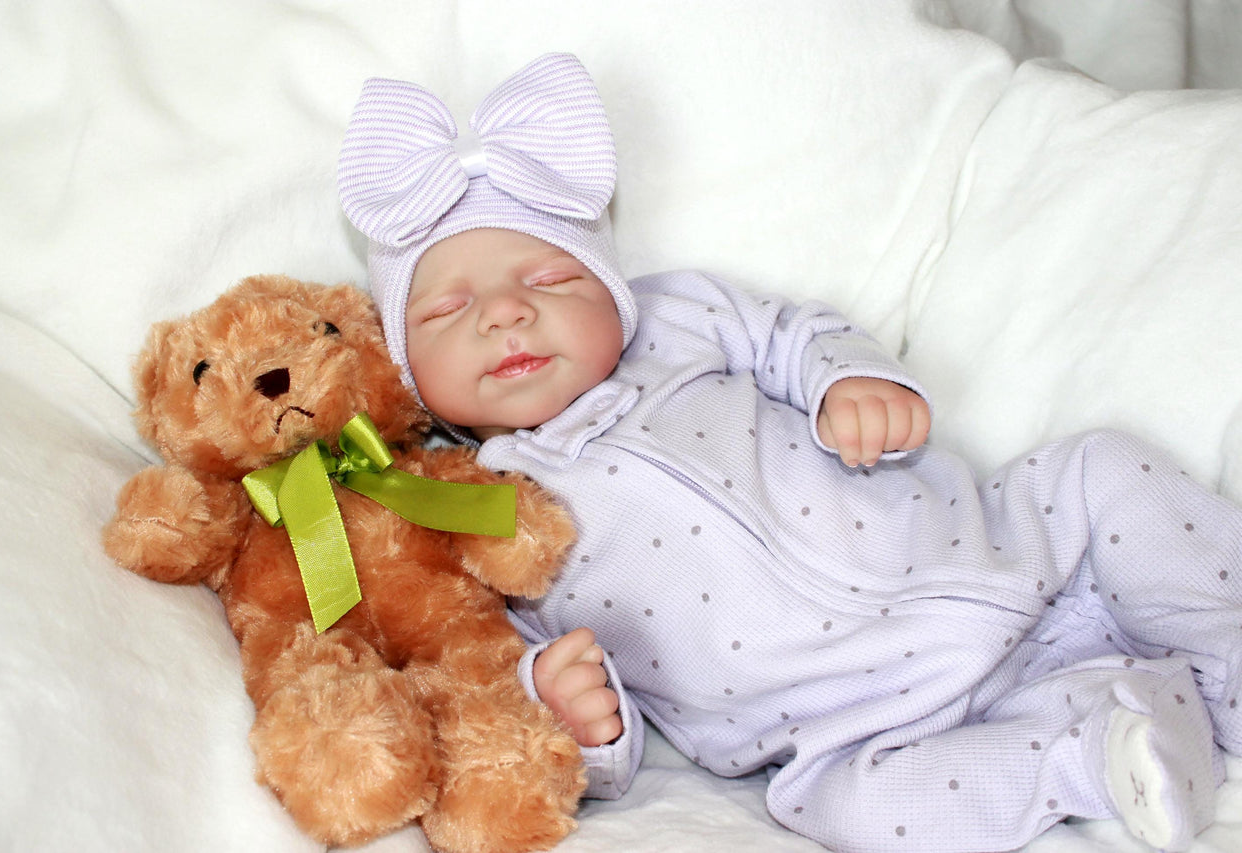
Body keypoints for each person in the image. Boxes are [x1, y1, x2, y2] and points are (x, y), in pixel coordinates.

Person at [338, 53, 1242, 852]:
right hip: (853, 723)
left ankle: (1225, 664)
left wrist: (848, 381)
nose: (504, 311)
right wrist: (572, 707)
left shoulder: (678, 322)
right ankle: (1097, 748)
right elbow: (503, 667)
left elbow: (792, 334)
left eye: (549, 277)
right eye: (446, 310)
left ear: (611, 291)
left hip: (994, 546)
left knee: (1101, 471)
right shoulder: (471, 511)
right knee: (850, 813)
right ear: (407, 369)